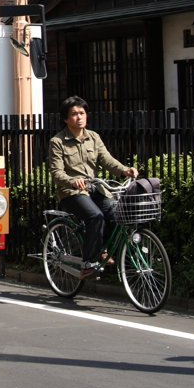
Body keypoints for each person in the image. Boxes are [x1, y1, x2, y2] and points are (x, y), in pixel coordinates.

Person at [48, 96, 138, 279]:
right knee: (95, 217)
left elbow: (107, 160)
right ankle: (89, 263)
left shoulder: (93, 137)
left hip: (95, 189)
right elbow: (56, 172)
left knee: (116, 216)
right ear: (65, 119)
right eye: (74, 114)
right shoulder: (57, 142)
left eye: (82, 113)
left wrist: (125, 170)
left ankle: (102, 250)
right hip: (72, 192)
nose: (79, 117)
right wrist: (72, 181)